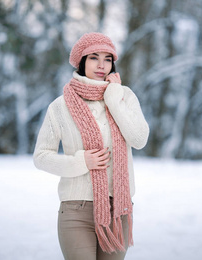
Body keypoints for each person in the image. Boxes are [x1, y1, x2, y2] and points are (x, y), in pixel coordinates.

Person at [33, 32, 149, 260]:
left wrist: (113, 99)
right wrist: (81, 162)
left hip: (119, 211)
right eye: (94, 57)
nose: (102, 65)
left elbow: (139, 139)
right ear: (81, 61)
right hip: (77, 211)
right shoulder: (60, 107)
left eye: (107, 59)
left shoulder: (124, 97)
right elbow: (41, 157)